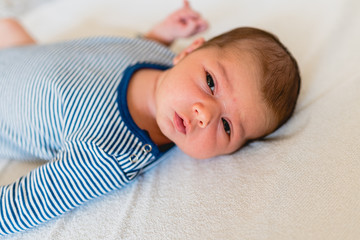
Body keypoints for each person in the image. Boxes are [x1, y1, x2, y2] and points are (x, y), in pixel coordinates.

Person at [0, 0, 300, 236]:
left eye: (227, 126)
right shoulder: (157, 55)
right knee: (9, 25)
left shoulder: (110, 153)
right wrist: (161, 34)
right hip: (24, 54)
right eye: (210, 82)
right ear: (189, 51)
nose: (205, 114)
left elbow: (23, 206)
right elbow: (117, 54)